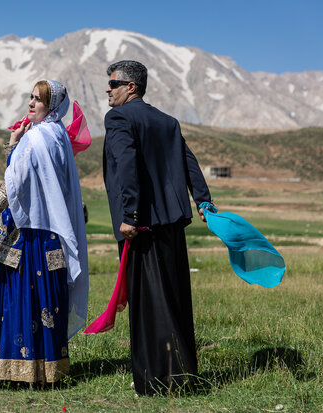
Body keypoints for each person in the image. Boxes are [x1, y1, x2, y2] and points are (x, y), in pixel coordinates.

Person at [0, 80, 88, 384]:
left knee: (15, 298)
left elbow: (15, 185)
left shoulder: (37, 139)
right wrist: (17, 143)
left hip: (27, 235)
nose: (31, 104)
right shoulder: (57, 135)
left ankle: (9, 368)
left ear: (52, 106)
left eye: (38, 100)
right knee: (45, 301)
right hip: (50, 235)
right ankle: (49, 368)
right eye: (30, 97)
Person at [102, 60, 213, 395]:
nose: (107, 89)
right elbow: (188, 161)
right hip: (173, 223)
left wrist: (131, 216)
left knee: (148, 303)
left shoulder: (119, 117)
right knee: (175, 298)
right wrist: (204, 201)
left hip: (143, 226)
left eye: (113, 83)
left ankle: (156, 382)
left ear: (131, 87)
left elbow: (128, 167)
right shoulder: (167, 121)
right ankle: (184, 376)